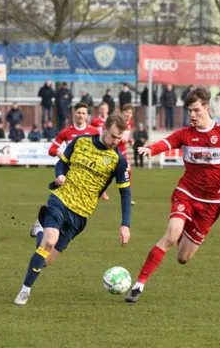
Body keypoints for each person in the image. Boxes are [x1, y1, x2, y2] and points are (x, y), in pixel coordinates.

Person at [124, 87, 220, 304]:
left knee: (183, 258)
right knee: (171, 235)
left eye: (196, 110)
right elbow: (167, 143)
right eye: (189, 110)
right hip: (186, 194)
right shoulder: (185, 134)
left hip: (210, 205)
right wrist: (150, 150)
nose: (192, 115)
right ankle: (139, 285)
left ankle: (184, 231)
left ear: (207, 109)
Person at [14, 112, 132, 306]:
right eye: (112, 136)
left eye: (119, 138)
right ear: (103, 129)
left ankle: (40, 230)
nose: (115, 141)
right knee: (49, 242)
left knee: (45, 260)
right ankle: (25, 291)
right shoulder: (80, 142)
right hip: (61, 199)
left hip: (81, 214)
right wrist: (60, 175)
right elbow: (62, 163)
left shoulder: (118, 160)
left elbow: (125, 193)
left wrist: (125, 224)